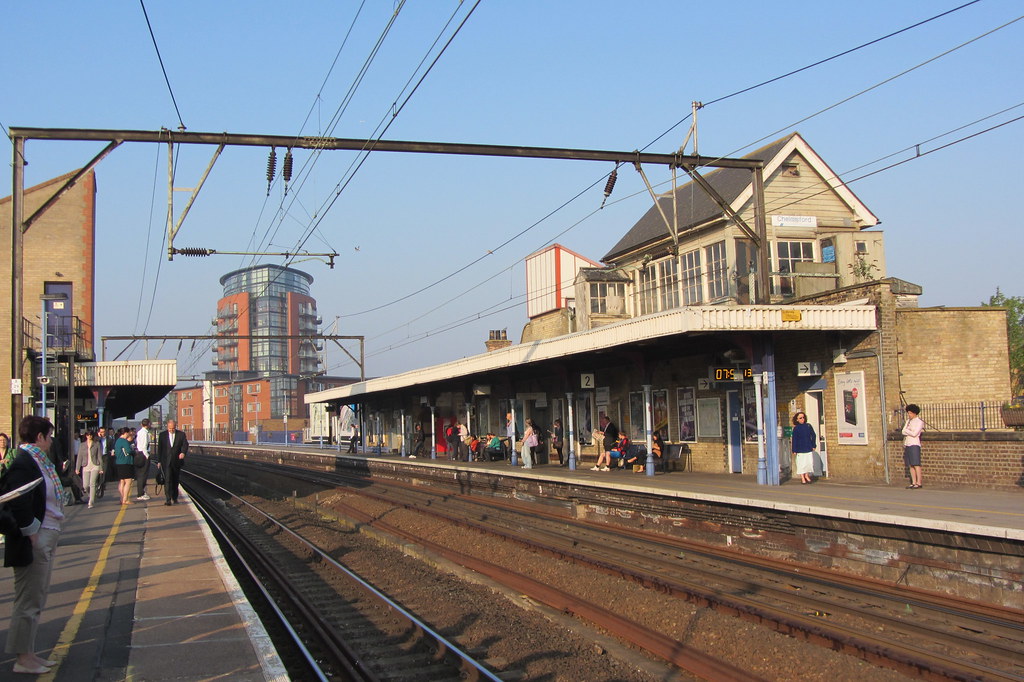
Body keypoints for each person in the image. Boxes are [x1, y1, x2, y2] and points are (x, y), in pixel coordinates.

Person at [2, 415, 64, 675]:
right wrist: (32, 533)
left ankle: (30, 653)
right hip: (35, 540)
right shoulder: (24, 462)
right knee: (28, 600)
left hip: (46, 534)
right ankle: (23, 659)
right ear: (39, 437)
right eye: (49, 437)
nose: (50, 442)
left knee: (36, 599)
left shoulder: (37, 461)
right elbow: (16, 500)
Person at [157, 419, 189, 505]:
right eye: (170, 428)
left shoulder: (181, 434)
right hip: (166, 461)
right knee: (167, 480)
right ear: (167, 427)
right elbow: (160, 449)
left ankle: (175, 498)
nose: (171, 430)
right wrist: (159, 461)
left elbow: (185, 444)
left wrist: (183, 452)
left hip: (176, 461)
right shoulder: (162, 435)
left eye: (173, 428)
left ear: (175, 427)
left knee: (175, 480)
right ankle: (168, 499)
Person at [75, 429, 103, 508]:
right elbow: (79, 457)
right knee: (85, 485)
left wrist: (101, 467)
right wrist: (77, 468)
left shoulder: (96, 444)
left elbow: (99, 456)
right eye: (88, 435)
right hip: (85, 465)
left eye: (90, 435)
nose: (89, 436)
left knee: (92, 483)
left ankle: (91, 501)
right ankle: (91, 494)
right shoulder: (82, 445)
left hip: (95, 465)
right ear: (86, 436)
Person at [902, 404, 924, 489]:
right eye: (908, 413)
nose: (909, 415)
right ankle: (913, 481)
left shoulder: (919, 422)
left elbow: (915, 434)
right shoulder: (908, 421)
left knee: (916, 464)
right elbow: (903, 431)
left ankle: (919, 482)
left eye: (910, 413)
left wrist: (908, 431)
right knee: (910, 464)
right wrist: (909, 431)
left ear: (915, 413)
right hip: (908, 443)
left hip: (914, 444)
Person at [791, 412, 817, 484]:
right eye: (800, 418)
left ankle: (807, 475)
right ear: (797, 420)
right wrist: (794, 449)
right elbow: (794, 439)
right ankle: (802, 477)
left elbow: (813, 435)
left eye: (803, 417)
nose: (802, 419)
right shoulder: (796, 428)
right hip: (800, 449)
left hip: (808, 447)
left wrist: (813, 445)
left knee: (808, 463)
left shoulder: (808, 426)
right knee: (801, 464)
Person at [113, 428, 136, 505]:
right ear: (125, 433)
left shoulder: (117, 441)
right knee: (128, 481)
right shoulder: (124, 441)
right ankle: (125, 499)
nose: (129, 434)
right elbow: (128, 451)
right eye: (129, 433)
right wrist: (134, 451)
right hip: (126, 462)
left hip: (119, 462)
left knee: (122, 481)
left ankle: (121, 498)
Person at [134, 418, 152, 501]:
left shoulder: (139, 432)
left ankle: (141, 492)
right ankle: (141, 493)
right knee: (143, 474)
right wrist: (147, 456)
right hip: (143, 455)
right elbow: (144, 446)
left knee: (140, 474)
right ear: (148, 424)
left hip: (139, 454)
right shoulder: (144, 433)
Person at [98, 426, 115, 499]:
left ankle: (102, 484)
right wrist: (99, 437)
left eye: (104, 432)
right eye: (101, 432)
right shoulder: (97, 439)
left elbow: (112, 447)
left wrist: (112, 451)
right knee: (97, 471)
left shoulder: (109, 439)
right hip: (97, 457)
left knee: (104, 471)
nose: (103, 433)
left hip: (105, 456)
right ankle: (98, 483)